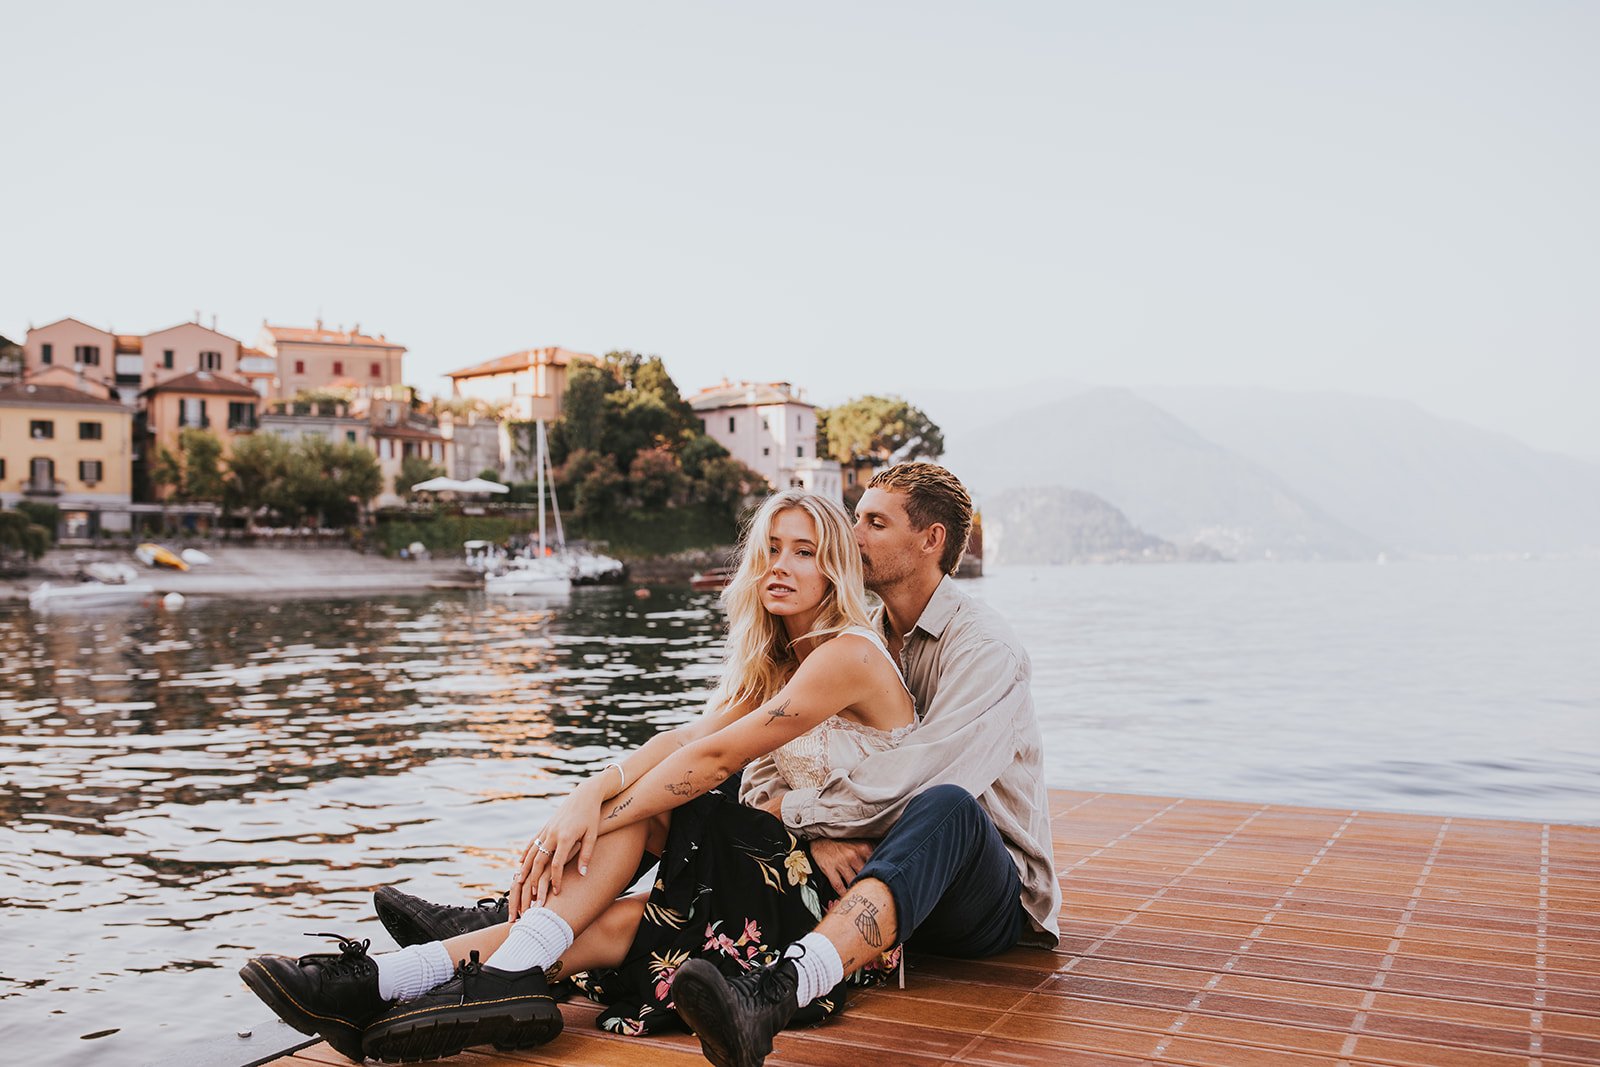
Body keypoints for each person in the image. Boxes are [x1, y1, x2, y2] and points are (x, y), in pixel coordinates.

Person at [239, 489, 916, 1063]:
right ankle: (390, 984)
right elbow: (683, 737)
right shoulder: (784, 660)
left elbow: (713, 761)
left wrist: (597, 816)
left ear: (834, 567)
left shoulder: (846, 653)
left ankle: (451, 965)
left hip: (842, 915)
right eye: (770, 547)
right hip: (783, 881)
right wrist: (587, 792)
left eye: (803, 550)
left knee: (665, 810)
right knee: (610, 924)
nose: (780, 564)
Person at [668, 462, 1060, 1067]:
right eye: (855, 519)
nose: (853, 536)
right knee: (705, 796)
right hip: (863, 865)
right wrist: (807, 834)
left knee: (946, 804)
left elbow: (924, 779)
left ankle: (776, 995)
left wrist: (799, 815)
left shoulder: (987, 647)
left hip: (982, 894)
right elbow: (769, 759)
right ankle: (524, 928)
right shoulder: (855, 633)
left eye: (875, 522)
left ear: (931, 542)